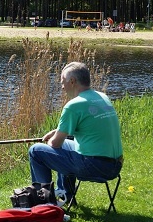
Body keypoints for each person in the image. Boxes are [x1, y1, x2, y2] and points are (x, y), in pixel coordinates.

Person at [28, 62, 123, 203]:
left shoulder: (73, 105)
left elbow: (55, 144)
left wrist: (52, 139)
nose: (62, 87)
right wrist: (58, 131)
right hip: (115, 166)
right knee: (67, 145)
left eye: (62, 82)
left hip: (94, 166)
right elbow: (90, 125)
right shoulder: (102, 97)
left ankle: (45, 200)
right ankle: (66, 195)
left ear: (72, 81)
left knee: (35, 151)